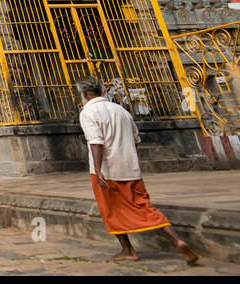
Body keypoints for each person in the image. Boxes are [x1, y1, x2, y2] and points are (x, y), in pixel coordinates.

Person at [77, 77, 198, 264]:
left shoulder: (88, 113)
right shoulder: (121, 110)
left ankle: (128, 250)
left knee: (111, 210)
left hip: (107, 171)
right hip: (131, 168)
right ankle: (177, 239)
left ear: (84, 94)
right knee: (144, 205)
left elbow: (96, 142)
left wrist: (99, 169)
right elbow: (135, 138)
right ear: (102, 91)